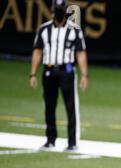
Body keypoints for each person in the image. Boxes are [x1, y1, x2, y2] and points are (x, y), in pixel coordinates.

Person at [29, 0, 88, 151]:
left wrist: (84, 75)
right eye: (57, 9)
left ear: (66, 10)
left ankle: (72, 142)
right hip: (48, 70)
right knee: (49, 106)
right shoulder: (44, 29)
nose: (59, 12)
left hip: (67, 71)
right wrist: (33, 73)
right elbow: (37, 51)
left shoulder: (74, 29)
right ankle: (50, 139)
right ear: (52, 9)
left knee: (71, 107)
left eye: (62, 9)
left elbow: (80, 53)